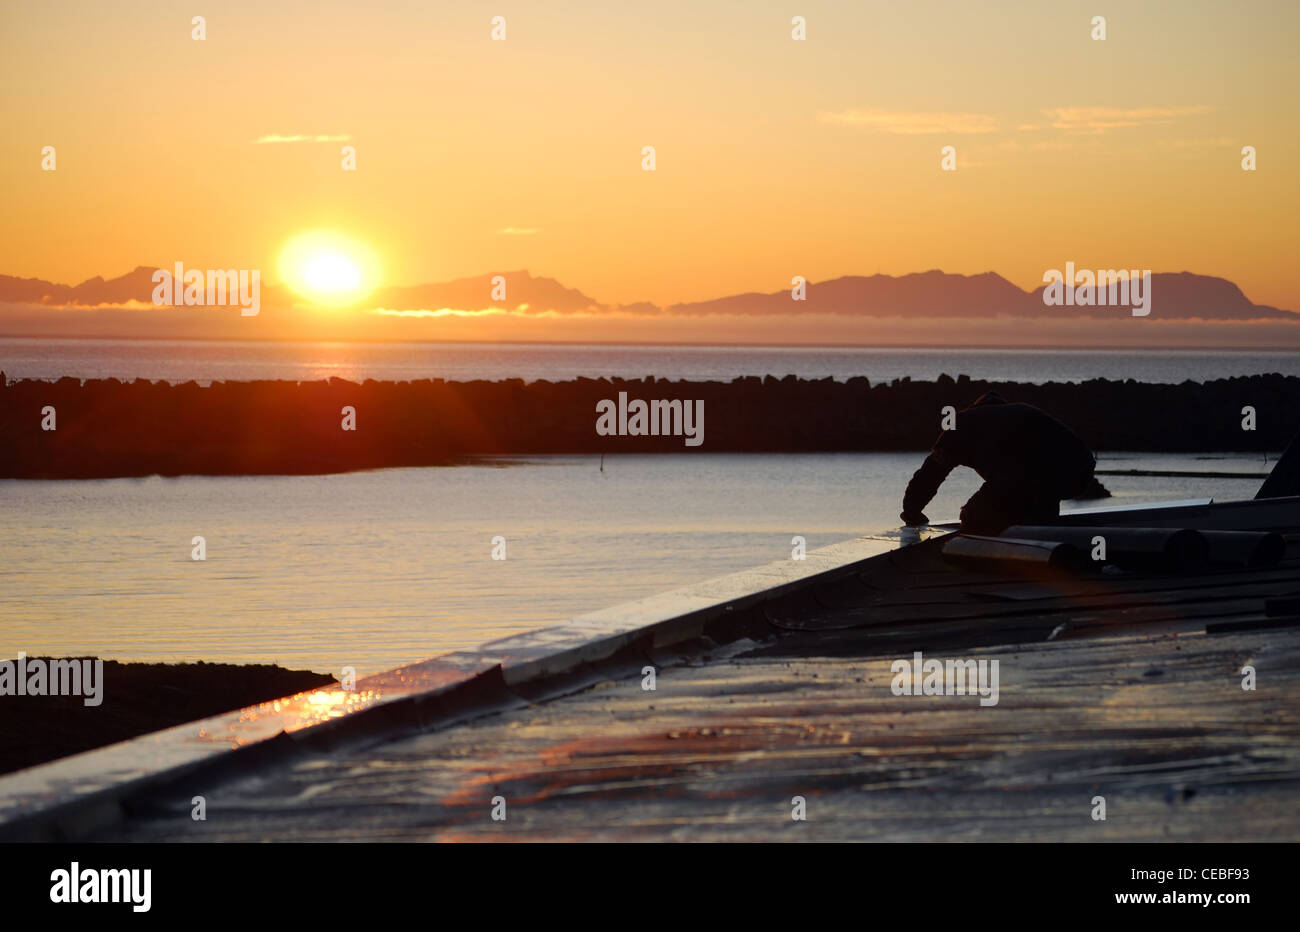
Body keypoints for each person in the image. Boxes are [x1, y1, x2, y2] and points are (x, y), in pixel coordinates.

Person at [900, 392, 1096, 534]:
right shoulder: (1021, 411)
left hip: (1038, 472)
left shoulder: (962, 424)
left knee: (973, 517)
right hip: (1080, 469)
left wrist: (912, 511)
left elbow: (930, 474)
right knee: (1035, 505)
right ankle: (1042, 536)